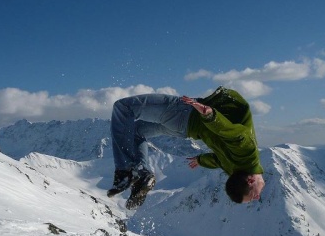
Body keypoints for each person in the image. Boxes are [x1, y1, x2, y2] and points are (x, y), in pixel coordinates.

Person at [107, 86, 265, 209]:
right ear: (250, 180)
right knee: (136, 132)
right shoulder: (239, 167)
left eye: (254, 196)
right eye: (253, 197)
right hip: (183, 129)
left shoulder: (246, 157)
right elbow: (222, 155)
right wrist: (201, 160)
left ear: (250, 180)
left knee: (123, 107)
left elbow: (234, 136)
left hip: (185, 114)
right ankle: (142, 172)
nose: (257, 197)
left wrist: (211, 116)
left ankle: (125, 170)